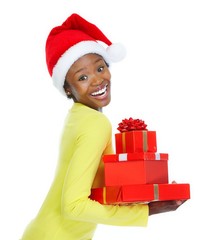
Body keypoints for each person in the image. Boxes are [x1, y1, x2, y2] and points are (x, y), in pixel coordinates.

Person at [20, 13, 185, 240]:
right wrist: (148, 210)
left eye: (99, 69)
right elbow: (74, 206)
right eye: (82, 77)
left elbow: (95, 189)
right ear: (67, 88)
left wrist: (148, 190)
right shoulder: (96, 124)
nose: (97, 80)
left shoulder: (78, 117)